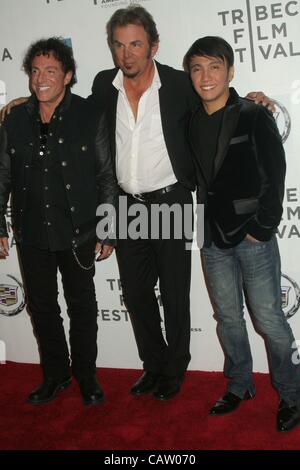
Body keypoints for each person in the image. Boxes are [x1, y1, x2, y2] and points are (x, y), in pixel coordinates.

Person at [0, 4, 274, 401]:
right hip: (126, 204)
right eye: (119, 45)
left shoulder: (181, 84)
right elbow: (64, 108)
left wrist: (253, 97)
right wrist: (18, 108)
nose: (126, 54)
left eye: (135, 44)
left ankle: (175, 369)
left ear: (153, 46)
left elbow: (218, 99)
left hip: (172, 200)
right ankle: (154, 364)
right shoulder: (101, 85)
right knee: (137, 292)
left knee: (176, 293)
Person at [183, 35, 300, 431]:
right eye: (197, 68)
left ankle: (292, 394)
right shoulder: (189, 119)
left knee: (269, 320)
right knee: (228, 318)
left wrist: (261, 228)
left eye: (215, 66)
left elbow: (274, 173)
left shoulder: (252, 113)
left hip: (253, 238)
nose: (206, 75)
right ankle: (240, 384)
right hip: (211, 237)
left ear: (230, 71)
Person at [0, 37, 118, 406]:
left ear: (67, 75)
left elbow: (106, 176)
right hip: (32, 230)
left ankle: (86, 375)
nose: (41, 79)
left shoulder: (89, 114)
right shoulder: (15, 118)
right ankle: (55, 375)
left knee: (82, 306)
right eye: (35, 71)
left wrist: (107, 227)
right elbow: (2, 174)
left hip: (78, 231)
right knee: (42, 306)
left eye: (50, 70)